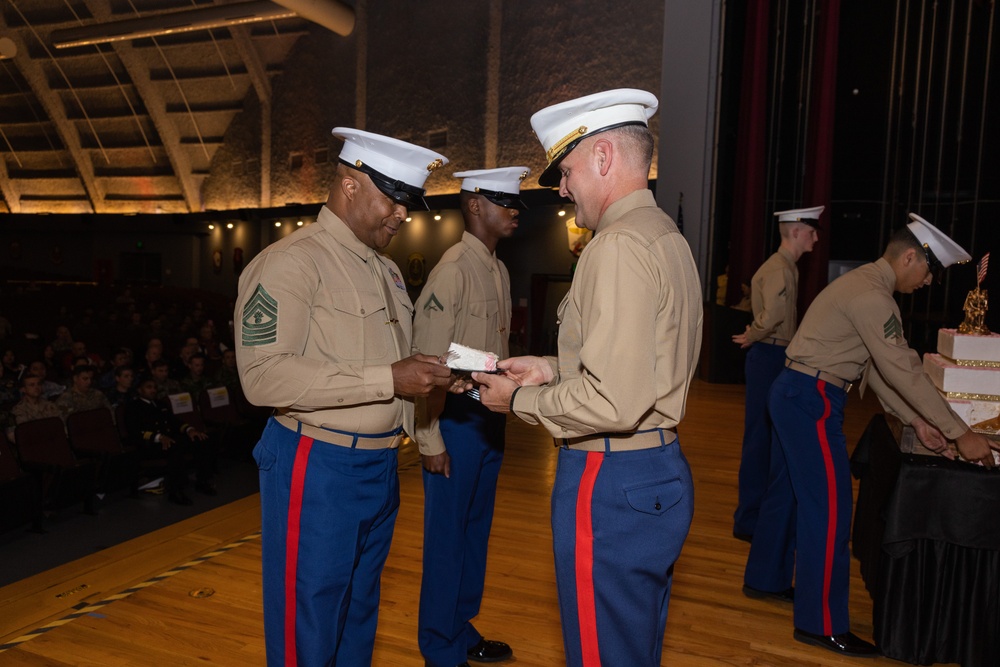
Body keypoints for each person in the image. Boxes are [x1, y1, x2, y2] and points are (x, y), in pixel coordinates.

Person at [475, 89, 703, 667]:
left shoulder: (617, 247)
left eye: (568, 170)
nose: (563, 187)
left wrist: (520, 398)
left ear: (603, 158)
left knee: (601, 652)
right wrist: (551, 367)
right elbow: (643, 357)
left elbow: (614, 398)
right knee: (633, 644)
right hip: (656, 466)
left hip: (610, 475)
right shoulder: (665, 237)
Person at [235, 127, 454, 666]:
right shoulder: (291, 263)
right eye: (393, 199)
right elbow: (262, 378)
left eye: (408, 203)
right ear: (351, 185)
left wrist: (429, 404)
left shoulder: (385, 270)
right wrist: (389, 379)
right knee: (308, 619)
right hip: (318, 463)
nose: (403, 215)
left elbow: (395, 364)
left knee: (358, 615)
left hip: (379, 466)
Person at [744, 213, 1000, 657]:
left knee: (786, 494)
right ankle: (820, 623)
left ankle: (764, 577)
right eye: (928, 273)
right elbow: (903, 369)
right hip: (812, 399)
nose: (926, 284)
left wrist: (917, 421)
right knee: (829, 511)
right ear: (909, 257)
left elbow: (874, 370)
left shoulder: (865, 285)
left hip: (795, 390)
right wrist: (959, 433)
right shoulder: (874, 297)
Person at [413, 167, 529, 667]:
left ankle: (459, 629)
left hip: (487, 418)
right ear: (476, 205)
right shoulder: (453, 269)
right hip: (454, 420)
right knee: (447, 540)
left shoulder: (497, 269)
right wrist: (430, 438)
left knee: (473, 534)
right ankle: (439, 647)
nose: (515, 211)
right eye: (506, 201)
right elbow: (427, 362)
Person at [731, 206, 822, 541]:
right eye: (811, 231)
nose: (816, 237)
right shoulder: (780, 269)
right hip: (769, 354)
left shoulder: (785, 267)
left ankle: (757, 517)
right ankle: (750, 519)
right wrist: (754, 333)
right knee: (760, 439)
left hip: (774, 353)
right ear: (796, 231)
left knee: (767, 438)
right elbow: (774, 314)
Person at [124, 377, 214, 505]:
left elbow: (174, 422)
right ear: (139, 390)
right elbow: (135, 431)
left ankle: (203, 481)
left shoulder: (160, 404)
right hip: (149, 445)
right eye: (148, 387)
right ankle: (176, 491)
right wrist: (159, 437)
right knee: (175, 448)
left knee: (200, 440)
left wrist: (189, 430)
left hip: (169, 440)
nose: (153, 390)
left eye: (154, 387)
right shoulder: (133, 407)